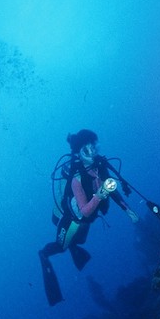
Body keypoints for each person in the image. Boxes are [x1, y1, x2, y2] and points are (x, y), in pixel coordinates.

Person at [39, 129, 139, 306]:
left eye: (94, 147)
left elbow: (112, 190)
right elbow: (85, 211)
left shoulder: (100, 167)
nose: (92, 153)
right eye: (86, 150)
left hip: (86, 220)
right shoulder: (76, 179)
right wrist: (100, 195)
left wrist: (128, 210)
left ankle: (74, 247)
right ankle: (44, 255)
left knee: (80, 241)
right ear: (79, 153)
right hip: (71, 220)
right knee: (61, 247)